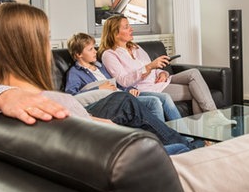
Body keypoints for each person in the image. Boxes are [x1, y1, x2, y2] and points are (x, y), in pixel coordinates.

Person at [0, 2, 198, 154]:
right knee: (179, 147)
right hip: (113, 157)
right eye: (47, 38)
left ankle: (183, 143)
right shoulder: (56, 101)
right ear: (33, 47)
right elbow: (83, 119)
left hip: (101, 128)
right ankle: (189, 146)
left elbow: (84, 119)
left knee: (128, 102)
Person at [98, 15, 234, 124]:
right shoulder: (109, 55)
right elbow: (123, 81)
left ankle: (212, 118)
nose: (131, 29)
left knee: (193, 73)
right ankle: (207, 126)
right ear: (115, 33)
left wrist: (162, 72)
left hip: (160, 80)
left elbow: (154, 67)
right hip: (147, 88)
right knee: (196, 91)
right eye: (126, 27)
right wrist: (150, 66)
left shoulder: (135, 47)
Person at [65, 32, 182, 121]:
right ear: (78, 54)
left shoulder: (99, 66)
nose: (95, 51)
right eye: (90, 49)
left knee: (164, 97)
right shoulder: (75, 73)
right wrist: (98, 89)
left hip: (123, 93)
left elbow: (117, 83)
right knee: (153, 102)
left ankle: (186, 137)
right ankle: (164, 141)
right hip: (112, 101)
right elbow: (71, 98)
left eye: (94, 48)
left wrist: (130, 89)